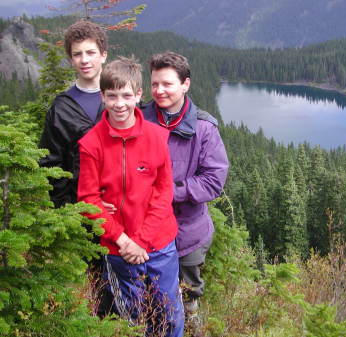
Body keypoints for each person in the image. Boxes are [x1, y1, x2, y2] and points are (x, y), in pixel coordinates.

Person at [77, 57, 184, 337]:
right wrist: (125, 241)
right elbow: (88, 198)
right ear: (102, 96)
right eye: (112, 96)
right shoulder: (91, 143)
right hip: (118, 249)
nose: (119, 103)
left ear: (138, 95)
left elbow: (164, 192)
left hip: (158, 244)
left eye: (127, 95)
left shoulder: (157, 137)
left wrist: (142, 241)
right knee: (132, 317)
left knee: (169, 313)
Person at [141, 51, 229, 320]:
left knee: (188, 293)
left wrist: (168, 192)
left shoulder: (203, 128)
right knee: (148, 294)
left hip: (187, 233)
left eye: (167, 84)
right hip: (145, 231)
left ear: (185, 84)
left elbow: (213, 181)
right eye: (155, 84)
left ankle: (191, 327)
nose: (159, 90)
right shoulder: (138, 120)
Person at [39, 20, 107, 208]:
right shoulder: (61, 108)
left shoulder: (122, 100)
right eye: (77, 54)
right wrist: (68, 207)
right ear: (70, 59)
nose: (84, 60)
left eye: (91, 52)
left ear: (103, 55)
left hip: (123, 208)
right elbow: (51, 163)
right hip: (78, 209)